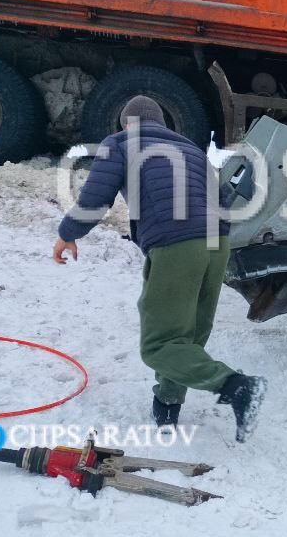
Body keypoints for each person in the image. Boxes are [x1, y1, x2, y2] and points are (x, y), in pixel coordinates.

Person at [52, 96, 265, 442]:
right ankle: (167, 404)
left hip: (178, 241)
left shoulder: (120, 143)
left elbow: (96, 197)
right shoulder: (194, 152)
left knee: (160, 345)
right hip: (218, 243)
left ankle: (235, 386)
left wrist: (68, 234)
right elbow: (223, 199)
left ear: (127, 123)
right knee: (190, 333)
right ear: (162, 123)